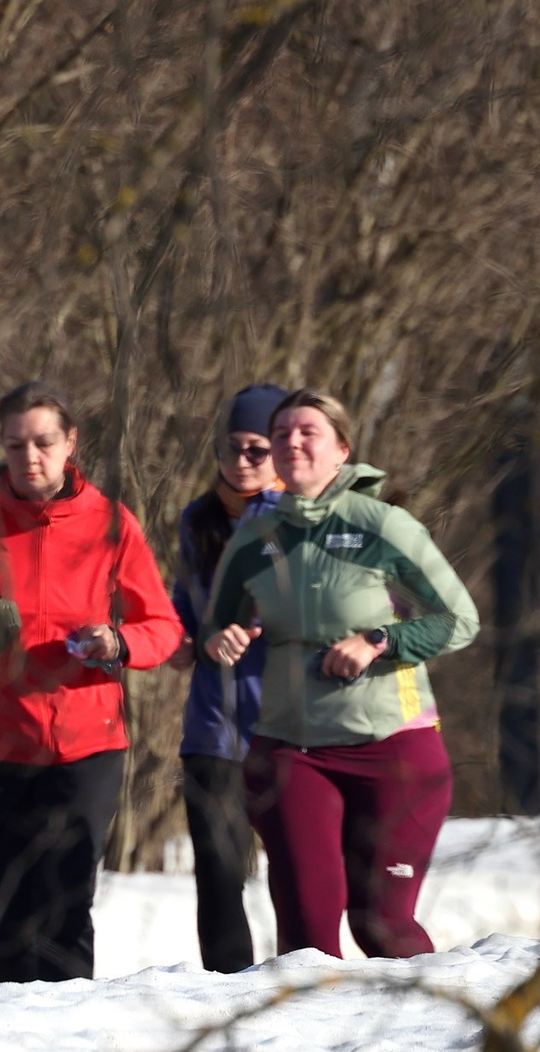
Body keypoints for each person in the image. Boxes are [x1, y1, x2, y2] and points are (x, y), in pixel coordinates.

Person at [0, 382, 182, 984]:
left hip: (82, 742)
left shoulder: (111, 523)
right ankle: (10, 1042)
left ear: (70, 443)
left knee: (64, 910)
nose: (29, 456)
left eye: (43, 442)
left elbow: (161, 625)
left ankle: (69, 1040)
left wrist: (118, 642)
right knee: (2, 916)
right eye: (15, 445)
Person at [203, 390, 478, 959]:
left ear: (342, 450)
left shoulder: (383, 525)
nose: (292, 442)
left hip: (393, 745)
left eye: (308, 432)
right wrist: (223, 639)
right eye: (282, 434)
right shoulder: (254, 539)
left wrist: (382, 640)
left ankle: (432, 1038)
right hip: (291, 749)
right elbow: (220, 627)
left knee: (381, 922)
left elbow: (461, 620)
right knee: (306, 934)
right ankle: (303, 1048)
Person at [167, 383, 286, 972]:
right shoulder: (197, 518)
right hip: (213, 728)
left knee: (298, 874)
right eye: (230, 447)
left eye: (256, 450)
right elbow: (179, 613)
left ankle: (309, 982)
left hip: (289, 724)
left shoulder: (302, 517)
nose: (240, 461)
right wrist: (183, 642)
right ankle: (226, 991)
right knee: (217, 872)